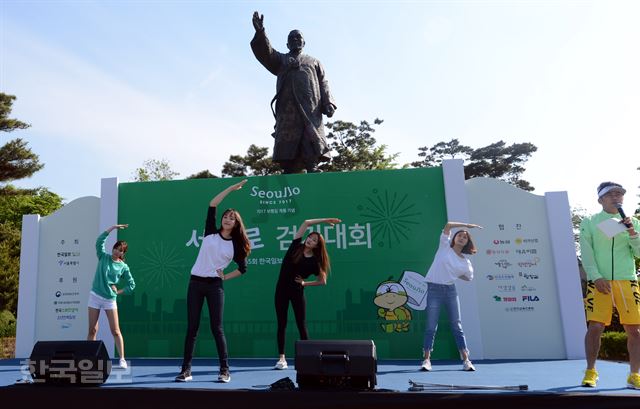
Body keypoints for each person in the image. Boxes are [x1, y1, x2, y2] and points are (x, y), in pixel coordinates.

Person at [175, 180, 251, 383]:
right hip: (195, 284)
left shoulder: (236, 245)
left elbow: (243, 269)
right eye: (226, 216)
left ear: (236, 223)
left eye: (231, 218)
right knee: (192, 327)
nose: (227, 219)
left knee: (217, 328)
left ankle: (225, 370)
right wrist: (231, 189)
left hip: (215, 286)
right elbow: (212, 204)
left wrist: (225, 276)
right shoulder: (210, 231)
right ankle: (186, 370)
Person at [251, 11, 337, 174]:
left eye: (298, 37)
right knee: (288, 137)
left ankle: (313, 164)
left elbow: (323, 82)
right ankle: (288, 167)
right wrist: (260, 33)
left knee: (310, 135)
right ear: (287, 45)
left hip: (311, 106)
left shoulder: (314, 61)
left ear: (304, 42)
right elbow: (266, 53)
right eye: (292, 38)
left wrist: (328, 103)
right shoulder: (281, 60)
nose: (295, 40)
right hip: (287, 107)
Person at [579, 181, 640, 389]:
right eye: (611, 194)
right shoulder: (589, 221)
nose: (617, 197)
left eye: (620, 194)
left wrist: (632, 232)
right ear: (600, 199)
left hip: (627, 279)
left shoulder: (634, 222)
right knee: (595, 326)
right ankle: (591, 371)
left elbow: (639, 253)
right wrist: (596, 276)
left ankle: (634, 374)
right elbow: (587, 251)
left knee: (634, 330)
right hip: (600, 281)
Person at [274, 217, 341, 370]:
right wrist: (325, 220)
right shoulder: (295, 246)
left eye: (315, 240)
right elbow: (305, 222)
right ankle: (282, 359)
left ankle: (309, 357)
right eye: (310, 237)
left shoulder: (315, 262)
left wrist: (305, 283)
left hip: (297, 292)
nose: (310, 239)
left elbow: (322, 280)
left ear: (318, 245)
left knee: (301, 324)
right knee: (282, 323)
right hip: (281, 291)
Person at [421, 221, 482, 372]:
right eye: (460, 235)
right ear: (454, 238)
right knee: (431, 326)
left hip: (450, 291)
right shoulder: (444, 247)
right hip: (434, 290)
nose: (462, 238)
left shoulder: (465, 262)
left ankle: (466, 360)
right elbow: (448, 225)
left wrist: (453, 274)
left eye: (465, 237)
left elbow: (468, 278)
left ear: (467, 243)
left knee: (457, 326)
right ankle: (427, 360)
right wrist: (467, 225)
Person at [87, 224, 135, 369]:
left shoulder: (123, 267)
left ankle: (122, 359)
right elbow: (99, 241)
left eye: (120, 250)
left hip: (109, 300)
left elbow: (131, 285)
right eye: (116, 248)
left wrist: (118, 292)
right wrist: (113, 228)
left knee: (115, 330)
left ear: (123, 253)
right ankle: (89, 358)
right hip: (95, 296)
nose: (116, 251)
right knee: (92, 330)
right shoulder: (103, 257)